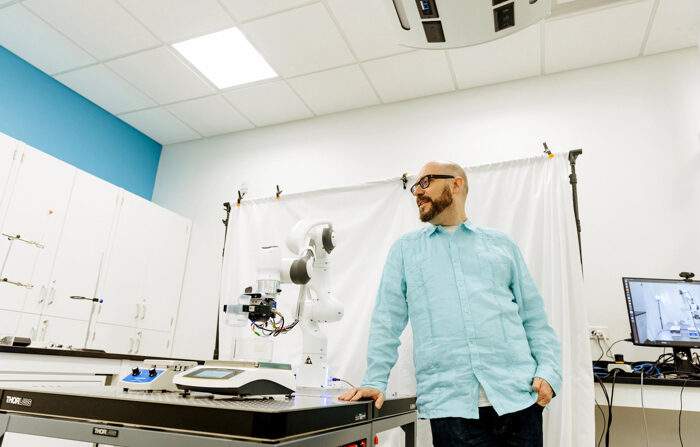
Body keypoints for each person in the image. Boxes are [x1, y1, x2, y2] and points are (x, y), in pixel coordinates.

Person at [338, 161, 562, 447]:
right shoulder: (406, 250)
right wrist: (375, 380)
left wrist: (548, 372)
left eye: (425, 182)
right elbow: (386, 321)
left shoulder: (502, 245)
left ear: (456, 184)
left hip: (519, 403)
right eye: (415, 186)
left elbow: (534, 319)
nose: (417, 192)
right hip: (451, 411)